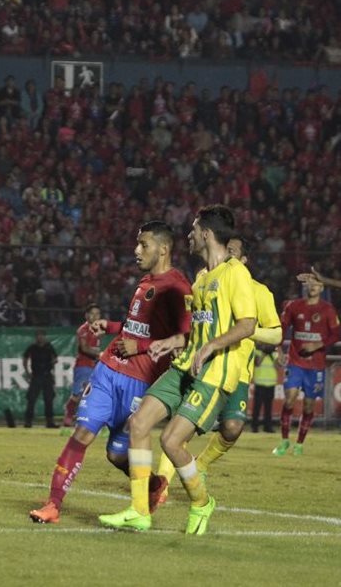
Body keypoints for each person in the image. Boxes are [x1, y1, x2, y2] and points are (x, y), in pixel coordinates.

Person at [99, 205, 256, 536]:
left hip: (214, 373)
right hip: (185, 365)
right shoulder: (201, 278)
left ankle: (201, 502)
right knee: (138, 423)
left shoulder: (235, 274)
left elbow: (247, 324)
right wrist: (172, 343)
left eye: (194, 229)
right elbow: (197, 330)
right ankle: (139, 511)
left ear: (206, 234)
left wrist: (212, 347)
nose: (188, 235)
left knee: (171, 441)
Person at [30, 221, 191, 525]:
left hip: (140, 383)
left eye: (143, 244)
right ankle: (53, 505)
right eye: (137, 243)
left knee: (116, 455)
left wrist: (141, 347)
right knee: (82, 432)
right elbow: (134, 327)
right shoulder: (145, 282)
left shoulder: (178, 288)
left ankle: (155, 485)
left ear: (163, 248)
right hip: (108, 370)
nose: (136, 250)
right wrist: (111, 327)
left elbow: (186, 337)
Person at [151, 236, 282, 497]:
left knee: (232, 428)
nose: (225, 256)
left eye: (232, 253)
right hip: (206, 366)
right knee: (181, 427)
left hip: (238, 372)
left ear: (244, 261)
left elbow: (275, 335)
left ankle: (201, 465)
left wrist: (243, 330)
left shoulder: (259, 291)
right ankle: (161, 487)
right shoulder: (208, 281)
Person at [273, 275, 339, 456]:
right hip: (295, 362)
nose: (313, 286)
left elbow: (336, 334)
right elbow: (281, 327)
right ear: (306, 286)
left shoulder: (328, 309)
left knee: (309, 406)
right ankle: (284, 440)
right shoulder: (295, 306)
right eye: (311, 283)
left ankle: (300, 443)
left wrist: (318, 345)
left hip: (316, 366)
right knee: (289, 398)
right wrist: (278, 350)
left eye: (317, 283)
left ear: (322, 288)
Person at [63, 303, 102, 430]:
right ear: (86, 315)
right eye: (92, 313)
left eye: (97, 314)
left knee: (91, 394)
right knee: (77, 394)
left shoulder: (98, 330)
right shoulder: (83, 330)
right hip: (83, 366)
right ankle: (69, 412)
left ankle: (83, 419)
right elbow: (84, 348)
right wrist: (100, 354)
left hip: (94, 366)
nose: (95, 316)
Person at [22, 330, 58, 428]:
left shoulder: (49, 347)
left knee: (49, 399)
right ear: (36, 337)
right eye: (38, 336)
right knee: (31, 399)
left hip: (47, 375)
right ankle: (28, 421)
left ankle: (50, 422)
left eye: (42, 335)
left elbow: (55, 358)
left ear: (45, 337)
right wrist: (27, 372)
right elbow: (25, 358)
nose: (40, 338)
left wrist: (51, 366)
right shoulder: (32, 348)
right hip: (36, 375)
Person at [251, 343, 280, 433]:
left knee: (268, 407)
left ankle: (267, 426)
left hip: (271, 383)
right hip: (260, 383)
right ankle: (255, 426)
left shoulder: (274, 354)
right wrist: (264, 353)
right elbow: (257, 363)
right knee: (257, 406)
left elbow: (277, 367)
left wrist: (271, 355)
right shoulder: (258, 352)